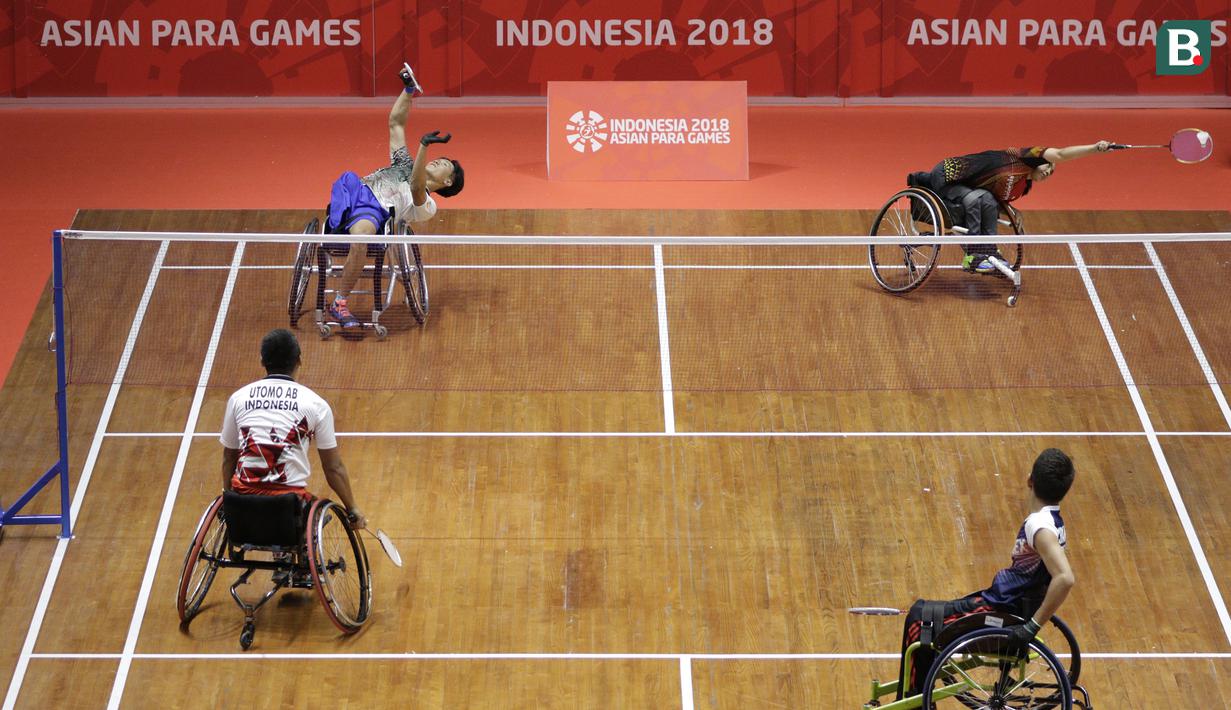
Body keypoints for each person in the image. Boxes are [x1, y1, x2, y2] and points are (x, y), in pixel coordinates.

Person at [896, 448, 1076, 698]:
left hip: (1003, 610)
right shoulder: (1053, 521)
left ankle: (913, 699)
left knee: (919, 618)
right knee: (925, 613)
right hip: (1007, 602)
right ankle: (917, 691)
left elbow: (1065, 578)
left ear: (1029, 480)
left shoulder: (1040, 526)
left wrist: (1032, 627)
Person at [325, 63, 464, 330]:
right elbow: (396, 123)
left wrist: (423, 146)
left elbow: (414, 186)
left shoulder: (428, 205)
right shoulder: (403, 164)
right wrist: (408, 91)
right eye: (438, 157)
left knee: (362, 237)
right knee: (349, 181)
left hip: (375, 211)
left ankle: (339, 302)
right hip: (356, 190)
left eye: (444, 162)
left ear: (447, 181)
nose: (438, 160)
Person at [220, 328, 366, 532]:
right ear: (299, 361)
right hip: (288, 507)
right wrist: (353, 508)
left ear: (262, 360)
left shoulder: (238, 398)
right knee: (313, 515)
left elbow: (229, 457)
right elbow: (333, 468)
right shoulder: (316, 405)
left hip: (242, 504)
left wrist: (228, 498)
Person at [921, 142, 1112, 273]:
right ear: (1038, 161)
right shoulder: (1021, 157)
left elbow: (994, 199)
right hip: (948, 174)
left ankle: (989, 251)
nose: (1048, 172)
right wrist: (1094, 148)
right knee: (975, 199)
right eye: (1047, 166)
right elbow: (1061, 154)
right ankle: (972, 255)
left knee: (986, 200)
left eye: (1052, 172)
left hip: (968, 186)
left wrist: (1012, 210)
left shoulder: (1021, 186)